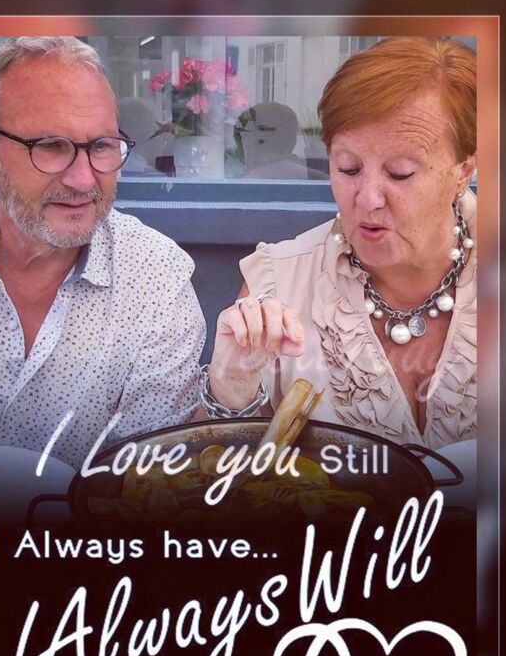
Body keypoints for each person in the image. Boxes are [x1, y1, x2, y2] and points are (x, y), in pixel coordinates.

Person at [203, 37, 477, 449]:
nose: (367, 199)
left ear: (464, 171)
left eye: (400, 173)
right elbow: (222, 471)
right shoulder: (279, 282)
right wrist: (231, 387)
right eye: (348, 168)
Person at [0, 37, 205, 468]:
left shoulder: (156, 279)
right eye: (51, 147)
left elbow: (150, 480)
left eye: (102, 146)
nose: (84, 180)